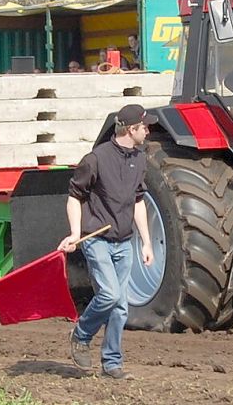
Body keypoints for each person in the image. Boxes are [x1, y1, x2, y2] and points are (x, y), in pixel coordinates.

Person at [58, 104, 155, 380]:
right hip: (97, 239)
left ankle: (112, 363)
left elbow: (138, 202)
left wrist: (146, 242)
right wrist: (76, 234)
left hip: (124, 242)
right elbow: (74, 196)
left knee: (120, 306)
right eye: (144, 127)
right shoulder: (96, 159)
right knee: (110, 295)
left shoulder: (140, 158)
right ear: (130, 129)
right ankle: (81, 334)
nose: (148, 131)